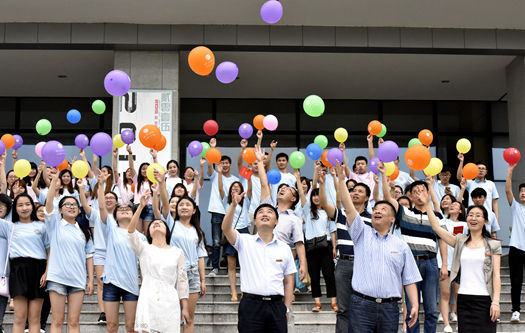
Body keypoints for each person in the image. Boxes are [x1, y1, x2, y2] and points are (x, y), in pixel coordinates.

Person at [335, 162, 421, 332]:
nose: (377, 211)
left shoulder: (401, 246)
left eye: (383, 209)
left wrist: (415, 306)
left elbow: (410, 279)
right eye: (375, 209)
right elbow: (350, 209)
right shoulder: (361, 233)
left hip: (389, 309)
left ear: (392, 219)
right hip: (361, 305)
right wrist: (341, 179)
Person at [380, 164, 446, 333]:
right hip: (410, 264)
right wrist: (383, 179)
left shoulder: (437, 216)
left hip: (431, 263)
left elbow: (443, 240)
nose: (419, 194)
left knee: (431, 308)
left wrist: (444, 264)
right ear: (409, 195)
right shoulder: (405, 213)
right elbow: (388, 199)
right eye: (414, 191)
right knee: (411, 308)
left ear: (428, 192)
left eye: (422, 190)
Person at [222, 191, 296, 333]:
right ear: (255, 221)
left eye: (269, 212)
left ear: (276, 221)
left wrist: (286, 307)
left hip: (276, 306)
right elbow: (225, 228)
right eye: (260, 212)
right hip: (251, 306)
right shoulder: (244, 241)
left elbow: (288, 280)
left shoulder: (284, 248)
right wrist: (233, 205)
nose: (265, 214)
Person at [426, 202, 501, 332]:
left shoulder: (493, 245)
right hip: (464, 299)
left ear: (485, 220)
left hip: (485, 300)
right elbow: (437, 228)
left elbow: (496, 275)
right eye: (470, 215)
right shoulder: (460, 241)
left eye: (478, 215)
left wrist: (495, 302)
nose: (473, 218)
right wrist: (427, 203)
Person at [127, 192, 190, 333]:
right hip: (148, 298)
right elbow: (131, 231)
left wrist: (184, 307)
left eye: (161, 223)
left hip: (170, 300)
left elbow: (182, 281)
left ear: (167, 232)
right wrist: (140, 207)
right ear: (148, 232)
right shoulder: (143, 248)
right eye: (154, 223)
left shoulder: (177, 252)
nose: (157, 223)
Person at [153, 171, 207, 333]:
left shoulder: (198, 232)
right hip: (172, 274)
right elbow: (164, 200)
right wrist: (162, 183)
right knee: (171, 317)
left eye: (187, 205)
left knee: (188, 318)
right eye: (181, 204)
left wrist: (203, 280)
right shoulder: (170, 223)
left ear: (194, 210)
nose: (184, 207)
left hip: (192, 275)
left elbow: (200, 257)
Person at [44, 173, 94, 333]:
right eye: (67, 204)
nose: (72, 207)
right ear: (60, 209)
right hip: (57, 278)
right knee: (57, 321)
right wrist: (53, 182)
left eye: (74, 205)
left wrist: (91, 280)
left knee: (74, 322)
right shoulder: (55, 225)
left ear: (79, 210)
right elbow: (49, 203)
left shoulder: (84, 231)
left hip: (77, 279)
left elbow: (89, 256)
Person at [92, 171, 142, 333]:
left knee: (131, 326)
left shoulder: (140, 237)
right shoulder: (111, 229)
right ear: (115, 214)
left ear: (133, 214)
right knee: (112, 326)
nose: (124, 209)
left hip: (131, 284)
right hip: (111, 283)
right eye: (120, 209)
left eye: (128, 208)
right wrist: (101, 185)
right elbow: (101, 207)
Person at [256, 146, 307, 282]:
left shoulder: (294, 219)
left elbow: (299, 243)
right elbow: (263, 184)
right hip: (261, 257)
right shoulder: (268, 208)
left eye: (288, 189)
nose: (282, 189)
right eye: (281, 188)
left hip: (281, 260)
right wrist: (261, 162)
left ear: (293, 199)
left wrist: (302, 264)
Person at [0, 194, 49, 333]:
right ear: (14, 209)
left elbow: (49, 251)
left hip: (39, 271)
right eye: (20, 205)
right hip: (18, 271)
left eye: (27, 204)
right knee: (19, 318)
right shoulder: (10, 227)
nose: (24, 208)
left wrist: (46, 272)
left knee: (34, 318)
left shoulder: (41, 226)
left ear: (32, 206)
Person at [296, 174, 337, 312]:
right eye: (313, 195)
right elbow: (302, 194)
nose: (316, 197)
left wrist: (334, 246)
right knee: (314, 275)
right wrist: (298, 177)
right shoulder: (308, 211)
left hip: (325, 245)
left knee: (329, 274)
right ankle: (317, 303)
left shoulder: (328, 212)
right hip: (311, 247)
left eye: (318, 195)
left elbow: (332, 230)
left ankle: (333, 302)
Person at [207, 138, 239, 277]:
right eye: (222, 163)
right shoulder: (215, 175)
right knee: (215, 241)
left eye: (226, 163)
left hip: (229, 213)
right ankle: (215, 267)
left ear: (230, 164)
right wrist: (212, 148)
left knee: (230, 240)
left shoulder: (235, 180)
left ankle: (230, 266)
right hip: (216, 211)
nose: (224, 165)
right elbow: (209, 166)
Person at [218, 177, 251, 302]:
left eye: (238, 187)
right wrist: (219, 173)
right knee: (231, 265)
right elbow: (220, 188)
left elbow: (250, 188)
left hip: (244, 231)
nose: (235, 188)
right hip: (230, 232)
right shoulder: (225, 202)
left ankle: (244, 290)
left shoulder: (246, 201)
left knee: (245, 264)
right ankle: (233, 292)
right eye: (233, 187)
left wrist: (249, 176)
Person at [436, 201, 468, 332]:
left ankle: (461, 323)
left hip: (460, 264)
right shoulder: (442, 222)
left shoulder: (465, 225)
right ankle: (446, 324)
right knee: (445, 294)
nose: (452, 206)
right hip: (443, 263)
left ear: (461, 210)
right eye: (451, 204)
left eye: (455, 205)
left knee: (459, 295)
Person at [505, 163, 525, 323]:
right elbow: (507, 191)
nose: (523, 193)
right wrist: (510, 171)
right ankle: (516, 311)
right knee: (516, 282)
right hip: (516, 247)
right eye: (522, 192)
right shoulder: (516, 207)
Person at [457, 155, 499, 219]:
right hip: (472, 216)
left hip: (488, 216)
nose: (481, 170)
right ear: (474, 170)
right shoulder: (470, 183)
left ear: (486, 172)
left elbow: (494, 202)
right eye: (478, 168)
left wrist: (497, 217)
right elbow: (459, 177)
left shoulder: (491, 184)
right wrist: (461, 161)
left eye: (483, 169)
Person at [127, 145, 155, 233]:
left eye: (147, 169)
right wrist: (130, 154)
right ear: (140, 171)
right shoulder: (136, 181)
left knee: (147, 233)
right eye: (143, 169)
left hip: (149, 208)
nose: (145, 171)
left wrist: (154, 158)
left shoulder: (154, 182)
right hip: (137, 207)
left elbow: (157, 169)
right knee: (138, 233)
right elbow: (131, 168)